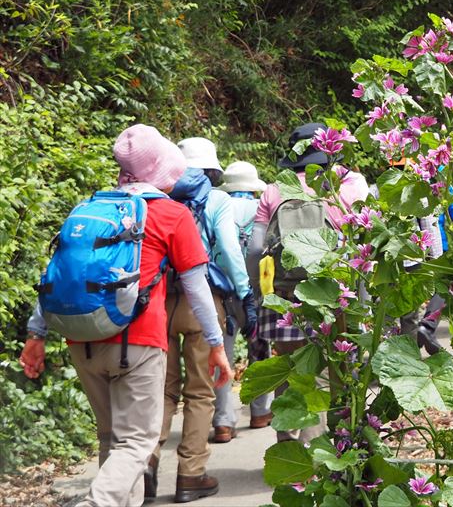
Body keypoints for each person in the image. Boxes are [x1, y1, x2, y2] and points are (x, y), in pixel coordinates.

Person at [20, 124, 231, 507]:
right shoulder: (171, 214)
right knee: (137, 441)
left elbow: (57, 273)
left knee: (113, 441)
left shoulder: (89, 209)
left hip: (82, 338)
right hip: (139, 342)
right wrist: (216, 344)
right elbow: (198, 288)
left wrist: (36, 335)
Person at [249, 123, 369, 443]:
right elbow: (367, 245)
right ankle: (323, 449)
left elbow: (256, 250)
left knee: (291, 373)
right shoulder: (350, 184)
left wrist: (261, 292)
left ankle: (288, 447)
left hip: (286, 297)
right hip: (336, 297)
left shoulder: (275, 189)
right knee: (332, 376)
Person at [150, 138, 255, 502]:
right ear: (213, 170)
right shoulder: (217, 199)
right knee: (199, 390)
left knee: (161, 389)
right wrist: (245, 293)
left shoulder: (159, 197)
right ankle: (190, 476)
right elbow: (228, 249)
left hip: (159, 301)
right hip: (203, 301)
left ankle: (146, 466)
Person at [213, 161, 271, 433]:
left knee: (221, 353)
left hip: (221, 291)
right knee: (260, 350)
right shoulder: (262, 208)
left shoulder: (216, 206)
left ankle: (223, 421)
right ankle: (260, 412)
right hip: (256, 291)